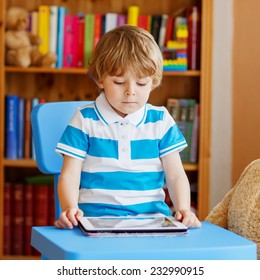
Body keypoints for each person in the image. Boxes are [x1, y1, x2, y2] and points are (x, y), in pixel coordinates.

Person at [54, 25, 201, 229]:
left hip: (153, 221)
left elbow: (175, 174)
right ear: (100, 79)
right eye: (119, 82)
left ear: (153, 82)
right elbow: (70, 174)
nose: (131, 92)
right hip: (94, 221)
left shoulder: (161, 120)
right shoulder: (84, 119)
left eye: (141, 84)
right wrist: (69, 209)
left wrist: (184, 208)